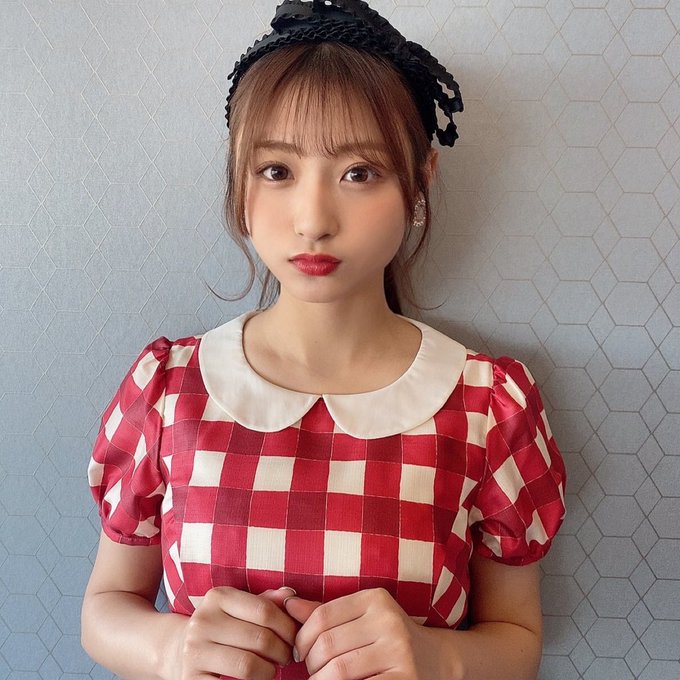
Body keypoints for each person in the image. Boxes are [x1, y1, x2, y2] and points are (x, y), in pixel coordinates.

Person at [81, 1, 566, 679]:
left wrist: (440, 657)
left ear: (419, 181)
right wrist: (169, 649)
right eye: (276, 171)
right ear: (239, 179)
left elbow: (517, 636)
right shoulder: (168, 391)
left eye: (359, 172)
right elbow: (105, 607)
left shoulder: (488, 406)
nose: (313, 220)